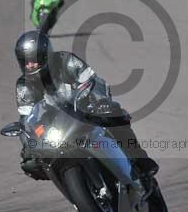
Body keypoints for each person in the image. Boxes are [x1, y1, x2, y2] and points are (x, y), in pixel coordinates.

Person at [14, 30, 159, 181]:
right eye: (25, 61)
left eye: (33, 60)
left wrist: (100, 102)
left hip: (84, 109)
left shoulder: (66, 61)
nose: (30, 65)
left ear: (46, 55)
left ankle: (140, 159)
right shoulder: (23, 86)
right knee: (30, 161)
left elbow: (94, 82)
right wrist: (28, 142)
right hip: (55, 125)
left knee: (113, 113)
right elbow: (26, 118)